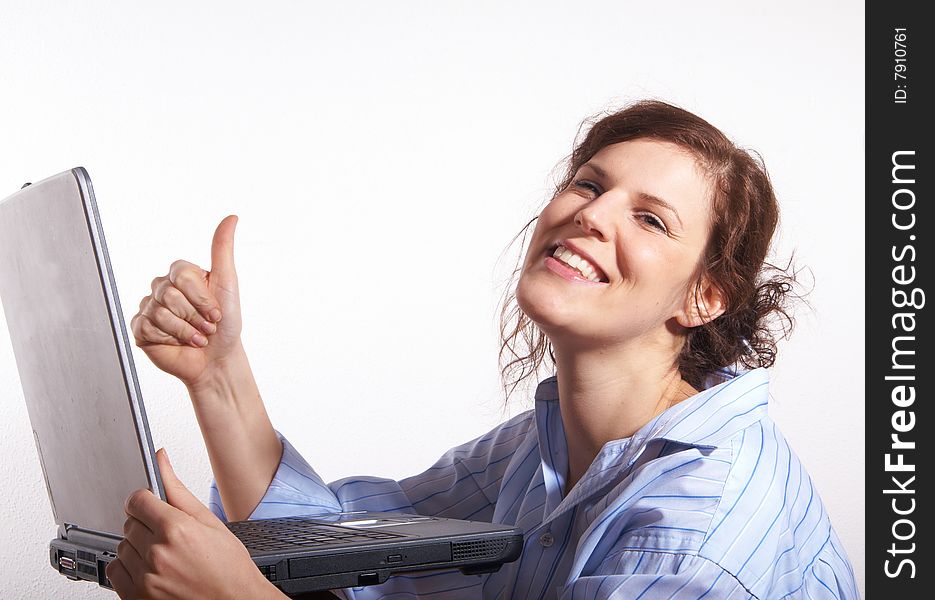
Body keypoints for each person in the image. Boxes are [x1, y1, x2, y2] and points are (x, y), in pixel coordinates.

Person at [106, 100, 859, 599]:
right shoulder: (552, 445)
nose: (591, 213)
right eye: (589, 183)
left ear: (705, 297)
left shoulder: (693, 538)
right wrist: (217, 372)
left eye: (651, 219)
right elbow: (348, 553)